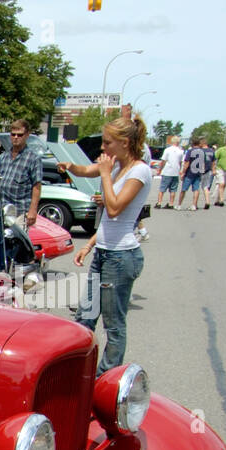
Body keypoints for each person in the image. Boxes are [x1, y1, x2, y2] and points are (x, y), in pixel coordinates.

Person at [71, 114, 151, 375]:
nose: (103, 149)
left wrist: (105, 175)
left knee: (113, 324)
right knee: (85, 316)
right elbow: (107, 217)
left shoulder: (139, 170)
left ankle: (105, 377)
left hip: (121, 257)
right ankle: (77, 371)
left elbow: (115, 209)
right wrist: (89, 245)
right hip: (105, 253)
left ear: (125, 143)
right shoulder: (117, 168)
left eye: (107, 143)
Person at [0, 119, 41, 227]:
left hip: (20, 211)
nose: (15, 137)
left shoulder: (33, 158)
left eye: (20, 135)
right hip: (2, 210)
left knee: (17, 242)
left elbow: (37, 186)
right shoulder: (3, 156)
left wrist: (33, 210)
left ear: (27, 135)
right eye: (13, 134)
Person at [176, 136, 207, 210]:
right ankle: (194, 205)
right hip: (198, 172)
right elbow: (203, 163)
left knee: (184, 189)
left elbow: (187, 162)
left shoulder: (190, 151)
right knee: (196, 189)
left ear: (192, 143)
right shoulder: (202, 151)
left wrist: (183, 172)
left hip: (190, 172)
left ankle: (179, 205)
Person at [156, 134, 184, 208]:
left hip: (167, 171)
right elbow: (180, 162)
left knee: (162, 188)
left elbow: (163, 161)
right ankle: (171, 203)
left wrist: (159, 169)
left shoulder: (167, 150)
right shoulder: (181, 151)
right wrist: (180, 170)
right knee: (173, 189)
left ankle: (159, 202)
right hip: (175, 172)